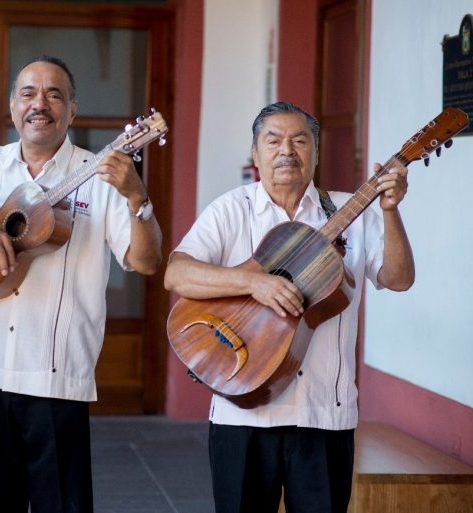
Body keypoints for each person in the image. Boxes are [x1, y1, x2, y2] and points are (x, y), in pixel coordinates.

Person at [0, 54, 163, 512]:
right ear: (12, 107)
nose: (40, 104)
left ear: (72, 110)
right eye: (28, 93)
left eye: (55, 94)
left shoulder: (102, 175)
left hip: (55, 372)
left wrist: (137, 197)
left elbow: (146, 262)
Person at [163, 101, 415, 513]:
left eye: (300, 140)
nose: (287, 150)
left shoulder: (353, 210)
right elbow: (177, 274)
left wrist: (391, 212)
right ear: (256, 152)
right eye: (274, 140)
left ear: (315, 151)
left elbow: (399, 279)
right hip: (242, 411)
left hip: (324, 415)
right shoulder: (232, 208)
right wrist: (254, 282)